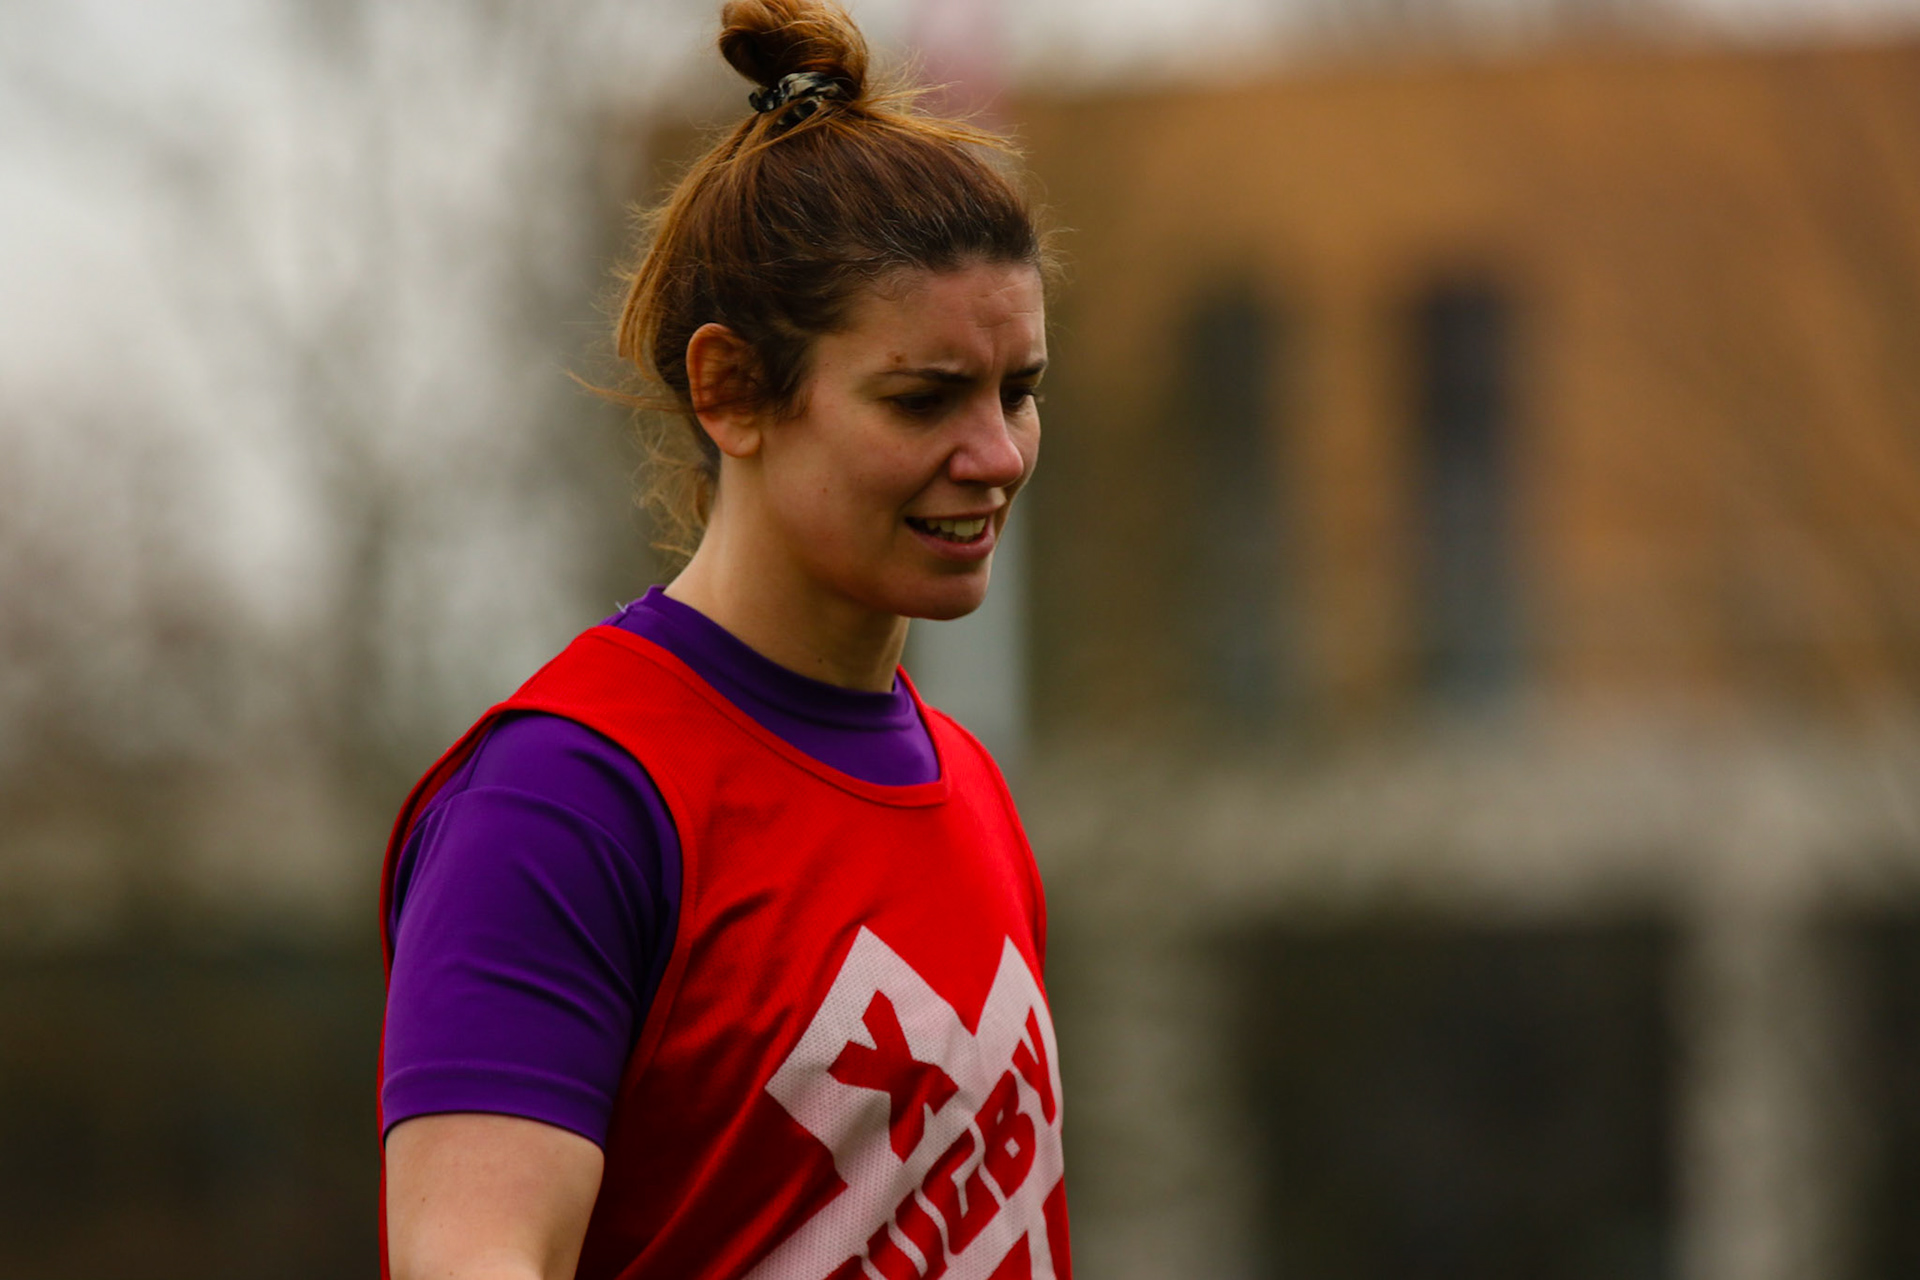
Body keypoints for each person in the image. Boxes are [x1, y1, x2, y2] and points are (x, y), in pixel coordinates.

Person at [376, 1, 1069, 1277]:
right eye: (924, 397)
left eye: (1017, 390)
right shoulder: (564, 800)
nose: (995, 456)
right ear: (731, 389)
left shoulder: (970, 784)